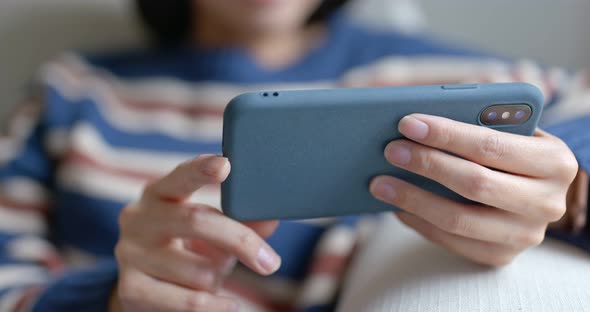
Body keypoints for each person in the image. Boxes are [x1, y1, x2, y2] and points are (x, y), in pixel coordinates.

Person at [0, 0, 588, 311]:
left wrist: (569, 185)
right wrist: (111, 298)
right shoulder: (75, 90)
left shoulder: (451, 76)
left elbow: (574, 109)